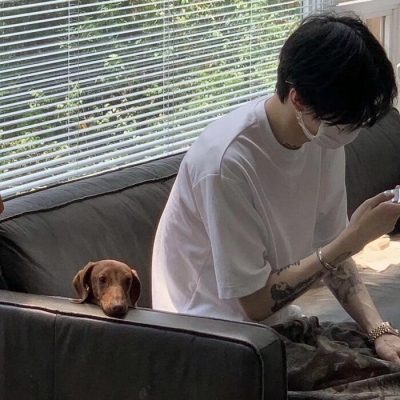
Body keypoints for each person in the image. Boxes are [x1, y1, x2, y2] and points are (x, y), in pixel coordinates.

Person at [152, 12, 400, 365]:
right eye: (345, 121)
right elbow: (253, 304)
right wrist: (355, 238)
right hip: (213, 342)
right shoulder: (226, 164)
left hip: (278, 329)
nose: (350, 132)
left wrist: (379, 331)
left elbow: (331, 248)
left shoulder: (322, 135)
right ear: (297, 99)